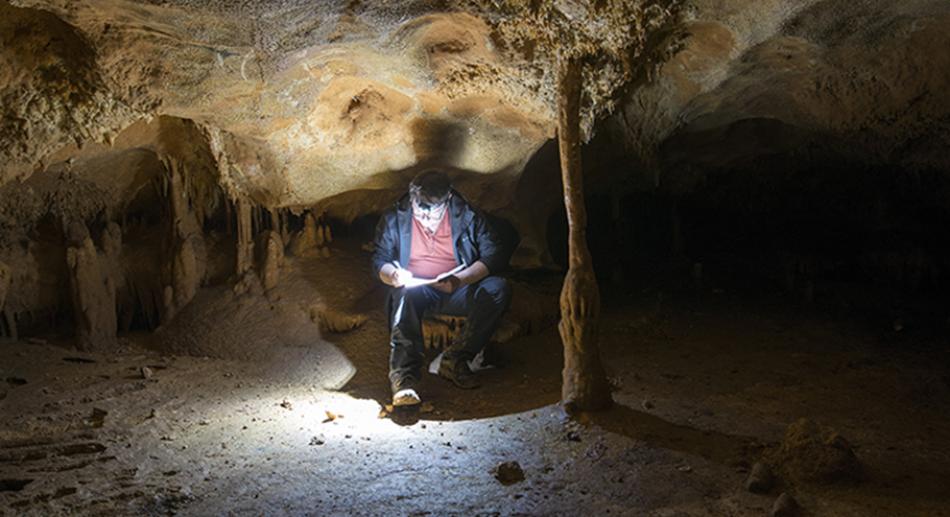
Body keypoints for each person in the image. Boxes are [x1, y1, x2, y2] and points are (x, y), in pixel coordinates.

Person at [372, 170, 511, 407]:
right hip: (416, 288)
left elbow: (493, 253)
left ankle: (455, 358)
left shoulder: (467, 215)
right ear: (412, 197)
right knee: (403, 295)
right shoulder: (396, 216)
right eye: (420, 208)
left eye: (432, 211)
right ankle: (404, 380)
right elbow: (380, 257)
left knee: (497, 288)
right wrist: (393, 275)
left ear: (446, 200)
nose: (425, 217)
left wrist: (460, 279)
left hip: (457, 289)